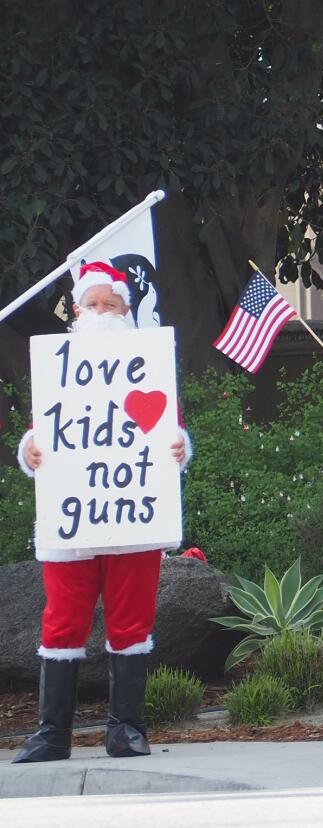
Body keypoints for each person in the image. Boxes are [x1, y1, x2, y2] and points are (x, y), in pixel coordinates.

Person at [13, 262, 191, 764]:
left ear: (126, 311)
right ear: (76, 310)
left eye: (110, 304)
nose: (101, 311)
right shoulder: (59, 369)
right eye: (92, 304)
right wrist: (30, 449)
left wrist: (179, 448)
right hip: (70, 524)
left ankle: (126, 729)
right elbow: (42, 429)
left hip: (133, 523)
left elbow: (168, 428)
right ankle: (52, 734)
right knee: (61, 623)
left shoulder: (149, 366)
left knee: (131, 625)